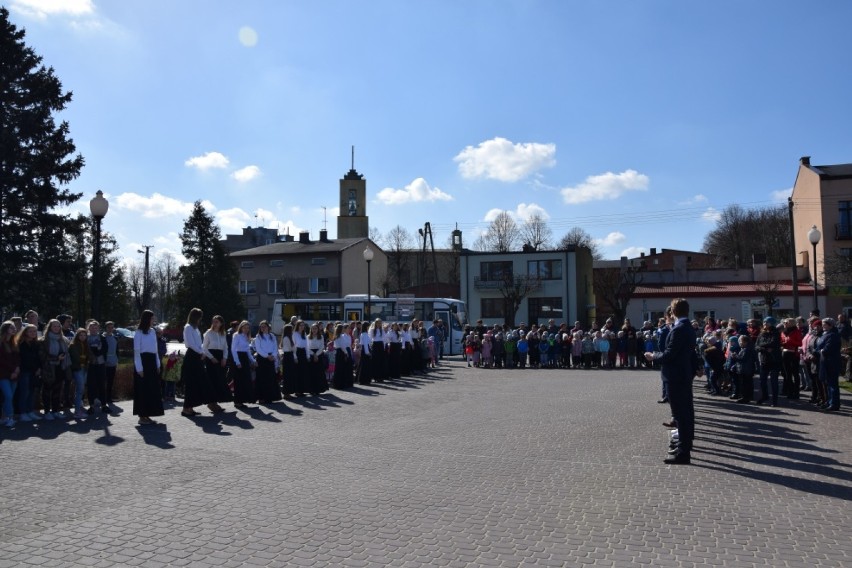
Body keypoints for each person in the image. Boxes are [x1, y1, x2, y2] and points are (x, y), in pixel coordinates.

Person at [645, 298, 698, 465]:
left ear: (673, 312)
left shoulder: (679, 329)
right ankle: (684, 446)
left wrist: (653, 356)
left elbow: (669, 355)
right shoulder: (687, 327)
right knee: (685, 413)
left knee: (681, 415)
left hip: (676, 376)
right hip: (682, 374)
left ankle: (683, 452)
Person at [132, 310, 164, 425]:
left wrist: (158, 364)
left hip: (152, 362)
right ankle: (142, 415)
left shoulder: (152, 332)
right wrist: (139, 368)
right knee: (143, 389)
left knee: (151, 389)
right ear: (146, 319)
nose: (153, 321)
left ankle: (148, 414)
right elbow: (136, 351)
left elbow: (155, 350)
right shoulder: (139, 333)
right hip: (143, 362)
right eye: (151, 319)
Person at [181, 308, 212, 417]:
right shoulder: (188, 327)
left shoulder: (195, 328)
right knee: (191, 383)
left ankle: (191, 407)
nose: (200, 319)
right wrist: (200, 352)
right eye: (199, 317)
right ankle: (186, 408)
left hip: (198, 356)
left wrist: (202, 351)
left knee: (197, 383)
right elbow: (190, 344)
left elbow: (200, 343)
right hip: (192, 357)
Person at [39, 319, 69, 421]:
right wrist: (56, 358)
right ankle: (47, 411)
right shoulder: (44, 340)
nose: (56, 328)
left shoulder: (63, 340)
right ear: (49, 327)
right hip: (48, 369)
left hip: (60, 368)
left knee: (57, 390)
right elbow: (42, 356)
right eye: (54, 326)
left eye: (58, 326)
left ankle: (55, 410)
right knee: (47, 391)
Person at [202, 315, 232, 409]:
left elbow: (225, 348)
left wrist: (224, 358)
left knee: (220, 380)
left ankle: (216, 402)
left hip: (220, 358)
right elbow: (204, 348)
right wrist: (211, 357)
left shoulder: (223, 333)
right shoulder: (208, 333)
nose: (214, 323)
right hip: (211, 358)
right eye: (213, 321)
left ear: (221, 323)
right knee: (212, 380)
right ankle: (211, 402)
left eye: (216, 322)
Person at [16, 324, 42, 421]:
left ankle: (30, 411)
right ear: (25, 332)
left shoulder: (36, 344)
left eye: (34, 331)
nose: (33, 333)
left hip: (34, 371)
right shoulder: (21, 344)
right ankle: (23, 413)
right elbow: (22, 358)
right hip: (24, 371)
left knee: (32, 391)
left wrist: (39, 368)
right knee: (24, 392)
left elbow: (39, 358)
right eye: (30, 331)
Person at [816, 318, 842, 411]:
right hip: (824, 362)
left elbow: (827, 349)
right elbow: (818, 348)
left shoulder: (833, 335)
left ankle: (834, 403)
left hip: (832, 362)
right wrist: (820, 350)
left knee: (832, 384)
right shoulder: (824, 334)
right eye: (822, 324)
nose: (823, 326)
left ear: (830, 325)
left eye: (825, 324)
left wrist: (822, 350)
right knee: (827, 383)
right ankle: (828, 401)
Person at [253, 320, 281, 403]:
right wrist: (267, 356)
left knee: (271, 378)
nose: (263, 328)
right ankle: (261, 397)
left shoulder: (272, 336)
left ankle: (270, 397)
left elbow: (275, 347)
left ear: (268, 327)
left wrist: (273, 355)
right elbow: (258, 349)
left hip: (271, 358)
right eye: (261, 327)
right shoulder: (258, 337)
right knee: (262, 379)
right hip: (262, 359)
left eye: (264, 326)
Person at [755, 317, 782, 406]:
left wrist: (762, 347)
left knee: (774, 381)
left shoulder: (776, 333)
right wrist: (765, 348)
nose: (765, 324)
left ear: (771, 323)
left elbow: (773, 343)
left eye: (767, 322)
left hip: (774, 360)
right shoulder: (762, 333)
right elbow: (757, 346)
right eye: (764, 322)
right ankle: (765, 396)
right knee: (762, 380)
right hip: (764, 360)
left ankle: (775, 400)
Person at [230, 321, 257, 408]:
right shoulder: (236, 335)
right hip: (238, 358)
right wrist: (237, 362)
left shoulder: (246, 336)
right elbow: (233, 349)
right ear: (241, 327)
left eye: (248, 328)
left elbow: (247, 350)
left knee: (246, 379)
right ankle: (237, 401)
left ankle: (244, 399)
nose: (246, 329)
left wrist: (253, 360)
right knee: (238, 381)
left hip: (245, 358)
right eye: (244, 327)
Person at [85, 320, 109, 415]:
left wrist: (97, 352)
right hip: (90, 364)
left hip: (100, 363)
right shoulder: (86, 337)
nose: (94, 329)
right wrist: (92, 353)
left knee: (102, 385)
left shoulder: (102, 337)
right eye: (92, 328)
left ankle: (104, 405)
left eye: (96, 328)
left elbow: (105, 349)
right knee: (91, 385)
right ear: (89, 328)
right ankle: (91, 406)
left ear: (98, 328)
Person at [0, 321, 21, 427]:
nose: (14, 329)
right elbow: (2, 361)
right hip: (3, 374)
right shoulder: (1, 344)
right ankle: (10, 417)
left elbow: (17, 358)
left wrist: (16, 369)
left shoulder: (14, 343)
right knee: (7, 395)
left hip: (14, 374)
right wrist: (12, 370)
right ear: (6, 329)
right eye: (11, 328)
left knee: (9, 396)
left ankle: (3, 416)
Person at [68, 328, 91, 420]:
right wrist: (84, 358)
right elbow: (76, 357)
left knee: (80, 389)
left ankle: (78, 407)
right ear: (77, 336)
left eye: (84, 335)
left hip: (84, 368)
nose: (83, 337)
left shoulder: (86, 344)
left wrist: (87, 359)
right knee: (80, 389)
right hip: (77, 369)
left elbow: (88, 356)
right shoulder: (73, 345)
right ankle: (77, 411)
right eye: (81, 335)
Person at [306, 323, 328, 395]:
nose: (314, 330)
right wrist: (314, 354)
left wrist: (317, 354)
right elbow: (307, 347)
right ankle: (311, 389)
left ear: (318, 329)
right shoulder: (308, 337)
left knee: (319, 373)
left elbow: (322, 347)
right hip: (311, 354)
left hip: (319, 355)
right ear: (311, 329)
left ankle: (319, 389)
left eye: (315, 328)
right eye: (313, 328)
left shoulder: (321, 337)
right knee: (311, 373)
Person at [102, 321, 119, 408]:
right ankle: (103, 398)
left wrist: (117, 360)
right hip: (105, 363)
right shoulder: (102, 337)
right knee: (104, 381)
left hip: (113, 362)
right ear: (106, 328)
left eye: (112, 327)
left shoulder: (115, 337)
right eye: (109, 327)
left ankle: (109, 397)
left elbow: (117, 350)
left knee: (110, 381)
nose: (110, 329)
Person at [279, 323, 299, 396]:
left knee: (290, 375)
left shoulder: (288, 338)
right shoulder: (286, 338)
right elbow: (291, 349)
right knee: (287, 375)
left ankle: (289, 392)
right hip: (288, 356)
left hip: (289, 356)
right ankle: (286, 393)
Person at [332, 323, 354, 389]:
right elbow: (343, 347)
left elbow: (335, 346)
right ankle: (340, 384)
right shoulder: (340, 336)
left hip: (337, 352)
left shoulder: (336, 336)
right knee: (341, 368)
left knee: (338, 368)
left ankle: (337, 384)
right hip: (341, 352)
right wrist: (346, 353)